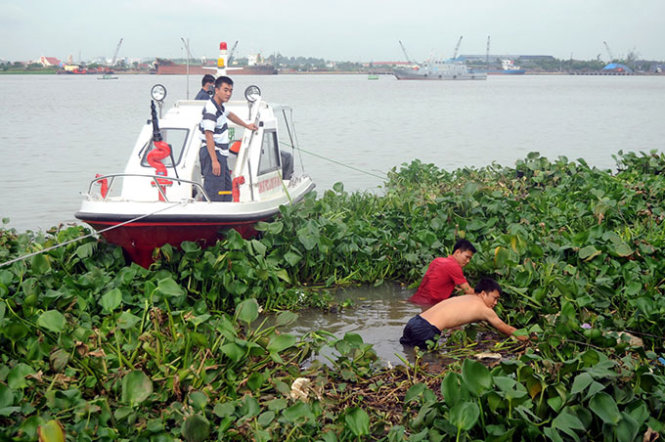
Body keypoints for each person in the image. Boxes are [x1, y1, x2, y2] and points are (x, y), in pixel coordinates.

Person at [400, 278, 528, 348]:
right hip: (427, 330)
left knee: (408, 352)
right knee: (429, 364)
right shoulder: (485, 309)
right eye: (494, 298)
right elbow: (506, 328)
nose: (495, 303)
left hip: (414, 322)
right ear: (483, 294)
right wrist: (527, 338)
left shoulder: (466, 297)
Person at [199, 76, 258, 201]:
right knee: (214, 192)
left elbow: (230, 115)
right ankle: (211, 216)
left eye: (230, 90)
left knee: (226, 188)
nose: (228, 93)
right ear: (216, 90)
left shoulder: (220, 107)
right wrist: (214, 161)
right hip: (212, 154)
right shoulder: (211, 109)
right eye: (225, 90)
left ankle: (225, 211)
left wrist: (246, 125)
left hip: (221, 154)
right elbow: (208, 135)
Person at [407, 239, 476, 307]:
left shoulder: (437, 260)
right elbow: (468, 290)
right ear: (457, 252)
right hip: (430, 305)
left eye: (470, 259)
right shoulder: (454, 266)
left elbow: (436, 281)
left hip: (415, 300)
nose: (468, 261)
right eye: (467, 257)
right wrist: (481, 297)